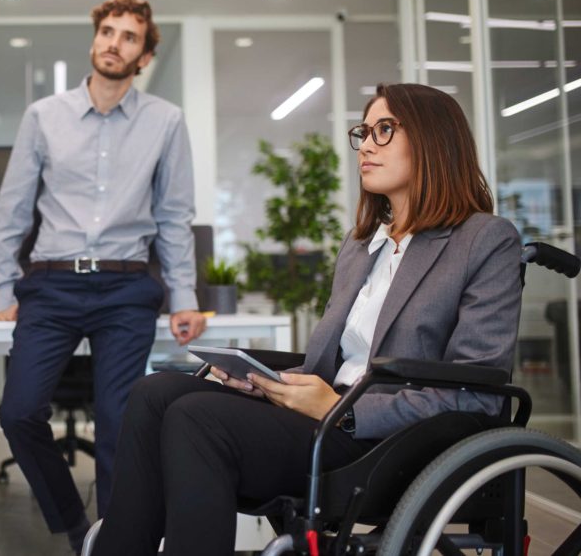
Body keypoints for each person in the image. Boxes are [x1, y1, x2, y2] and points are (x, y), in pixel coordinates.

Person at [91, 83, 523, 556]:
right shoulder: (362, 245)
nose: (368, 146)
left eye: (386, 130)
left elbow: (476, 394)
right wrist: (268, 383)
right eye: (365, 132)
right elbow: (331, 365)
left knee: (198, 417)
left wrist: (348, 410)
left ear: (434, 140)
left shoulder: (484, 240)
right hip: (331, 410)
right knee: (155, 392)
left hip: (387, 438)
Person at [0, 0, 208, 554]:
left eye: (129, 36)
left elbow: (175, 217)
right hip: (52, 285)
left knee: (119, 421)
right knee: (18, 411)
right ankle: (77, 526)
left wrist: (183, 295)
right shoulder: (44, 116)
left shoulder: (166, 122)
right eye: (108, 31)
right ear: (94, 39)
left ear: (144, 55)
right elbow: (12, 208)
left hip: (126, 288)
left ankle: (114, 543)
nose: (114, 42)